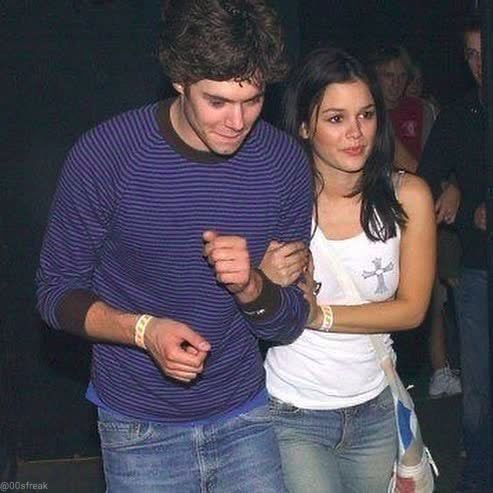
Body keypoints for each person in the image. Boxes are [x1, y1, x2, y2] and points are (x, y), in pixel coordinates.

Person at [35, 1, 313, 491]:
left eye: (252, 100)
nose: (238, 120)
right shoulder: (107, 155)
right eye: (218, 102)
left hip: (245, 414)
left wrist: (253, 285)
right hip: (137, 426)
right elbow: (55, 294)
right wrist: (145, 331)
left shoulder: (283, 162)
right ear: (181, 79)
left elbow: (290, 321)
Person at [260, 47, 436, 492]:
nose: (356, 133)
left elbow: (413, 310)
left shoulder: (407, 196)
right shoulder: (279, 202)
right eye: (336, 118)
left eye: (367, 114)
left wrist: (323, 315)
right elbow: (244, 309)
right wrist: (261, 280)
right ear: (304, 125)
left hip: (376, 406)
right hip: (293, 413)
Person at [419, 11, 491, 491]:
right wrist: (452, 189)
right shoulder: (460, 115)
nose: (479, 64)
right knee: (479, 388)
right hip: (478, 267)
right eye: (471, 54)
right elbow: (424, 177)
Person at [370, 45, 435, 172]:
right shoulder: (367, 113)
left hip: (419, 183)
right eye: (389, 76)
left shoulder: (422, 109)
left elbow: (433, 158)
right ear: (376, 76)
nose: (396, 83)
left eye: (402, 76)